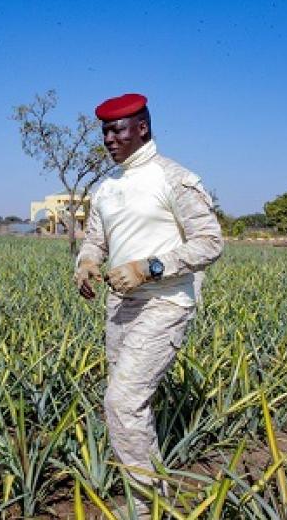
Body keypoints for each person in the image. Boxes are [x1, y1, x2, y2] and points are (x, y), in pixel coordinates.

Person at [74, 93, 223, 518]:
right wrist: (87, 263)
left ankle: (145, 509)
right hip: (120, 305)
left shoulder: (174, 178)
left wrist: (150, 266)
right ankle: (150, 497)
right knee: (129, 405)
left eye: (117, 129)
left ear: (141, 127)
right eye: (104, 130)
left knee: (122, 402)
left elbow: (210, 243)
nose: (108, 138)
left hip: (165, 302)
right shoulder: (108, 187)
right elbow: (95, 239)